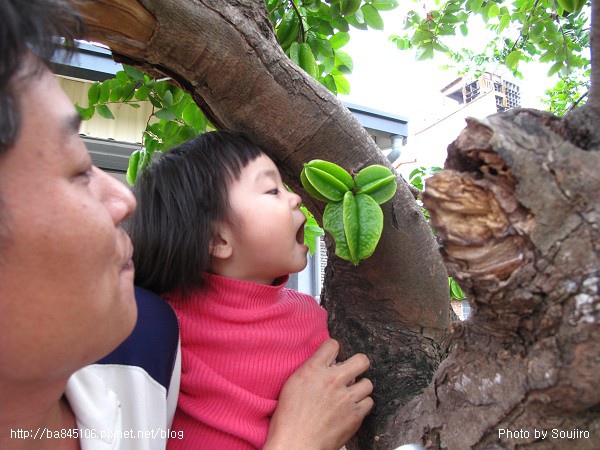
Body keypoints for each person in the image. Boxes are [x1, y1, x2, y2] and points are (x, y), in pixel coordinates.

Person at [0, 1, 373, 449]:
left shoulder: (145, 351)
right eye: (78, 169)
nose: (122, 199)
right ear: (217, 239)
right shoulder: (161, 337)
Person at [128, 131, 372, 450]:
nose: (296, 197)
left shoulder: (312, 316)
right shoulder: (162, 326)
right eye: (272, 190)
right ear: (217, 240)